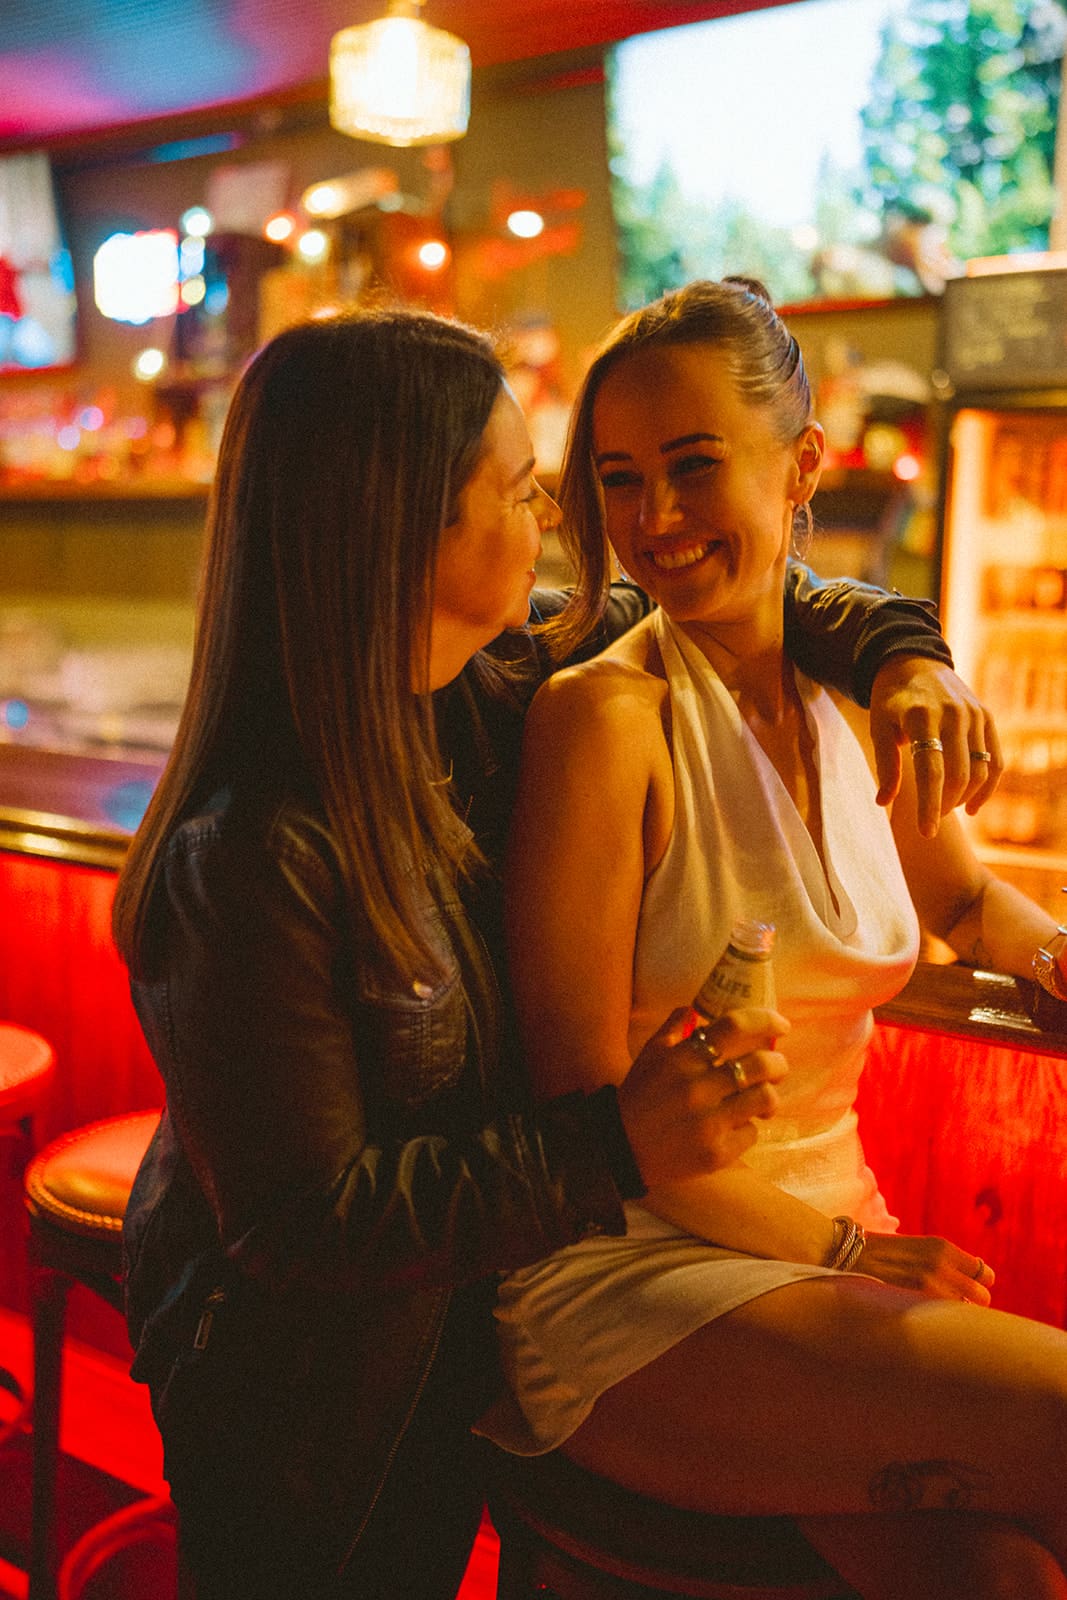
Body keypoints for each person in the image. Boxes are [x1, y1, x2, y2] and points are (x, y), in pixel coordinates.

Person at [113, 304, 1003, 1600]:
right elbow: (307, 1227)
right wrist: (616, 1142)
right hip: (312, 1401)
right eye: (528, 490)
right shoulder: (251, 852)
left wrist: (904, 654)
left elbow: (752, 584)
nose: (560, 524)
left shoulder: (491, 677)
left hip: (468, 1327)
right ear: (406, 527)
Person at [484, 277, 1067, 1598]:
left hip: (833, 1234)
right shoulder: (603, 720)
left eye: (696, 470)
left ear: (801, 465)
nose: (655, 523)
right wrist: (849, 1257)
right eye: (622, 482)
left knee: (1004, 1577)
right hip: (632, 1270)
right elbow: (580, 1103)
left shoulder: (856, 692)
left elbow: (963, 905)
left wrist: (1052, 953)